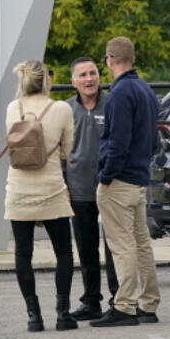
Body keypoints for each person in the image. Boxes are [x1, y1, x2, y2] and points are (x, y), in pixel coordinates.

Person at [91, 37, 161, 328]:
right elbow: (154, 141)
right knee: (141, 243)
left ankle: (125, 306)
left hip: (119, 181)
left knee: (122, 245)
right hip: (139, 178)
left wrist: (107, 176)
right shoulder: (145, 89)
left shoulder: (119, 93)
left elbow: (118, 142)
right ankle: (148, 303)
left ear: (109, 59)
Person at [3, 60, 77, 332]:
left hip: (18, 190)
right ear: (46, 79)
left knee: (23, 254)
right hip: (52, 190)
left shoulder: (13, 108)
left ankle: (34, 316)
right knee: (64, 252)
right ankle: (63, 314)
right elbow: (69, 150)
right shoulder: (61, 109)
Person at [64, 56, 119, 321]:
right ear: (73, 81)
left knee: (114, 246)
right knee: (86, 247)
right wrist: (63, 184)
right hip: (78, 189)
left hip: (109, 187)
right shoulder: (65, 110)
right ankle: (91, 301)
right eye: (83, 75)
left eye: (93, 73)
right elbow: (58, 151)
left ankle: (118, 299)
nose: (89, 79)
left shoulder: (113, 105)